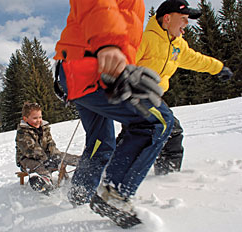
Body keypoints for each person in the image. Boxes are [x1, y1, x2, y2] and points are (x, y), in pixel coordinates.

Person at [54, 0, 174, 228]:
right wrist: (108, 43)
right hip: (91, 65)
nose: (187, 23)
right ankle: (114, 196)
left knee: (101, 142)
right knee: (156, 120)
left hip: (81, 70)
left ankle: (79, 194)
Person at [116, 0, 233, 175]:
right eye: (184, 18)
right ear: (167, 18)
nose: (187, 23)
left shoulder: (178, 45)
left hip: (151, 98)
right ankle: (168, 180)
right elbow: (124, 63)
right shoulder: (145, 39)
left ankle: (105, 169)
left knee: (134, 137)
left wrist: (218, 68)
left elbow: (196, 59)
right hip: (136, 96)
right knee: (171, 132)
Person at [15, 102, 80, 195]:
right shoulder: (23, 133)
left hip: (46, 155)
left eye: (40, 117)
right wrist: (46, 160)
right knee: (39, 166)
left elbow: (50, 143)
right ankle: (44, 182)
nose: (38, 120)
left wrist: (55, 155)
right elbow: (31, 150)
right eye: (35, 118)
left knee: (64, 157)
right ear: (25, 119)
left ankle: (86, 163)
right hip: (27, 160)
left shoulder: (44, 128)